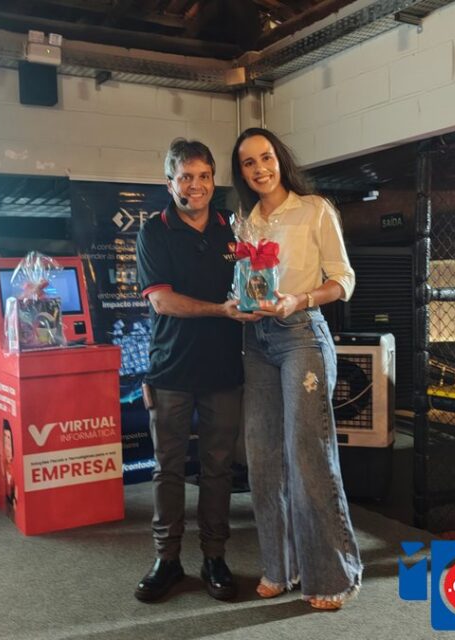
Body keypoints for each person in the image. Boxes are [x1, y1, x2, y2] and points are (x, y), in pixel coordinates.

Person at [231, 127, 362, 611]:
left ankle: (332, 575)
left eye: (265, 157)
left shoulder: (314, 209)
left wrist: (298, 299)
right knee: (263, 457)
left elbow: (343, 280)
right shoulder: (246, 222)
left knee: (308, 455)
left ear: (280, 159)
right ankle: (279, 567)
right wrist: (238, 303)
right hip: (256, 339)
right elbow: (247, 280)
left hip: (302, 334)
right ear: (241, 172)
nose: (259, 169)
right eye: (248, 163)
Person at [134, 138, 256, 603]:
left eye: (204, 176)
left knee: (218, 468)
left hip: (224, 370)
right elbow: (163, 302)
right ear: (170, 183)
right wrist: (221, 310)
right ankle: (166, 560)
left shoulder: (233, 231)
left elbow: (254, 285)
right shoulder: (154, 232)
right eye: (186, 177)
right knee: (167, 469)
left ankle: (214, 557)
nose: (196, 185)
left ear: (212, 180)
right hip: (170, 370)